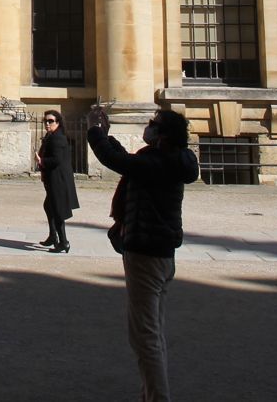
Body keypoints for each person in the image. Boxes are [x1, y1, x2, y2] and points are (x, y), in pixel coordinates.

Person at [86, 105, 199, 402]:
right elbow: (129, 161)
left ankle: (158, 397)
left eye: (153, 123)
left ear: (163, 136)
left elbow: (117, 161)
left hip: (146, 255)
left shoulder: (157, 163)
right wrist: (107, 135)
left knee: (145, 336)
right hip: (161, 255)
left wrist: (94, 131)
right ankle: (150, 394)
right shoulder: (170, 160)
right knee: (153, 332)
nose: (148, 126)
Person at [36, 109, 79, 253]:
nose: (47, 124)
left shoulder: (57, 138)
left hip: (58, 180)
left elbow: (57, 160)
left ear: (58, 122)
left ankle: (64, 242)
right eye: (45, 121)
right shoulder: (51, 136)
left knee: (57, 210)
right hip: (53, 178)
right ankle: (53, 236)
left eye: (51, 121)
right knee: (49, 206)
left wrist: (41, 161)